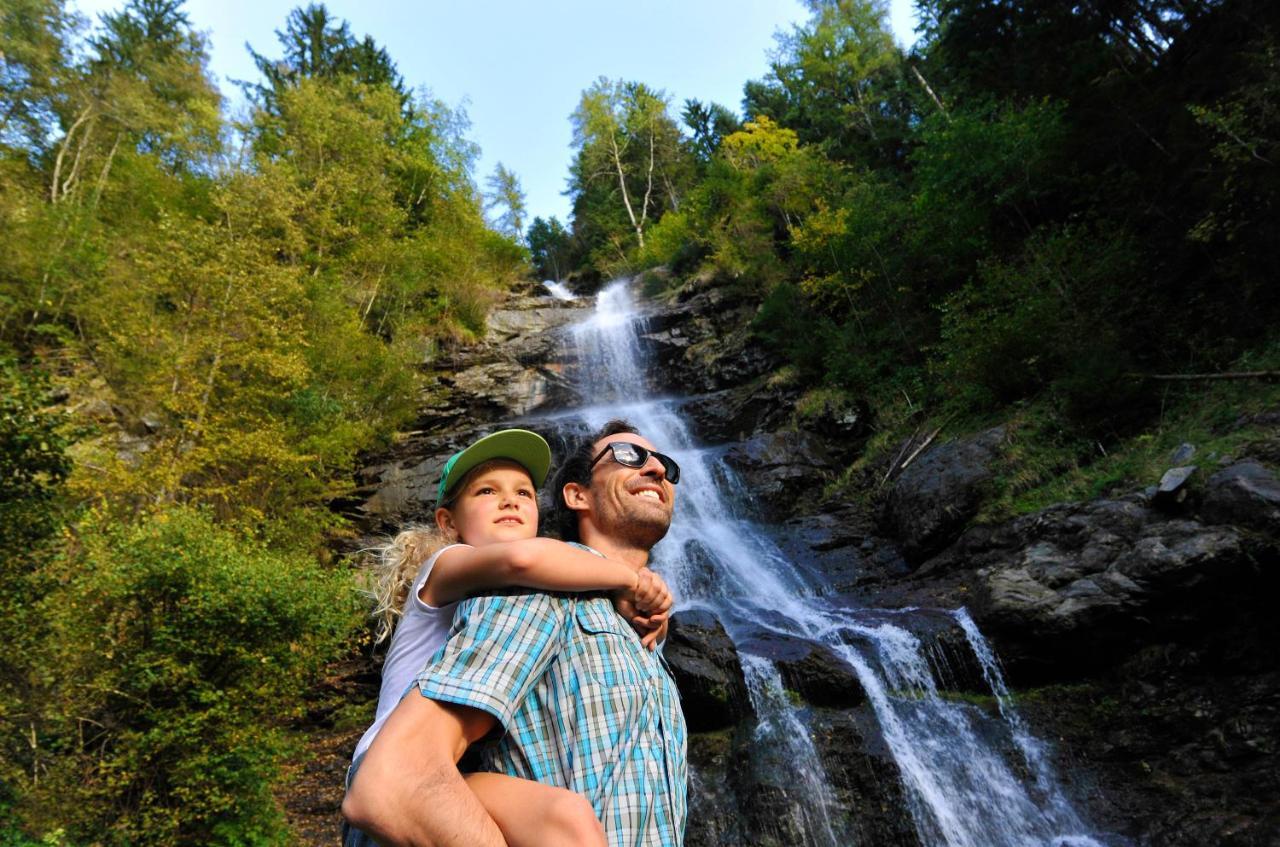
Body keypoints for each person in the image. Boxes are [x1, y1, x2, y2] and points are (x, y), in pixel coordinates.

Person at [343, 420, 689, 847]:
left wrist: (640, 597)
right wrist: (631, 581)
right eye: (629, 456)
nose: (656, 468)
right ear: (575, 495)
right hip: (391, 772)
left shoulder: (637, 633)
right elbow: (401, 779)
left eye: (524, 493)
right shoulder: (533, 582)